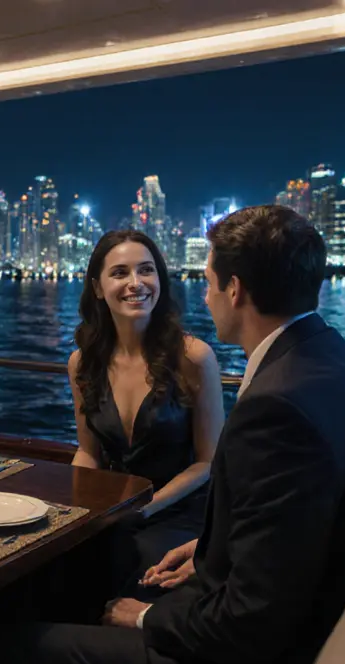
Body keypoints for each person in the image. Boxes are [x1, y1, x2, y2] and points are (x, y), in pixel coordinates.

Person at [0, 205, 345, 664]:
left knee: (3, 646)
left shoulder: (276, 408)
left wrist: (145, 619)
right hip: (289, 625)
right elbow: (287, 532)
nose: (202, 296)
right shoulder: (336, 363)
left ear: (235, 290)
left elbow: (250, 623)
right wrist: (211, 548)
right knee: (51, 586)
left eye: (206, 282)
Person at [68, 230, 223, 600]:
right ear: (98, 287)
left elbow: (208, 462)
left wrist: (145, 507)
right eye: (120, 273)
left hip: (179, 510)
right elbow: (88, 452)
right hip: (114, 509)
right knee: (51, 563)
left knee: (135, 568)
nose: (136, 283)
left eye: (146, 270)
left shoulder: (194, 358)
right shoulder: (82, 364)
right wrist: (67, 510)